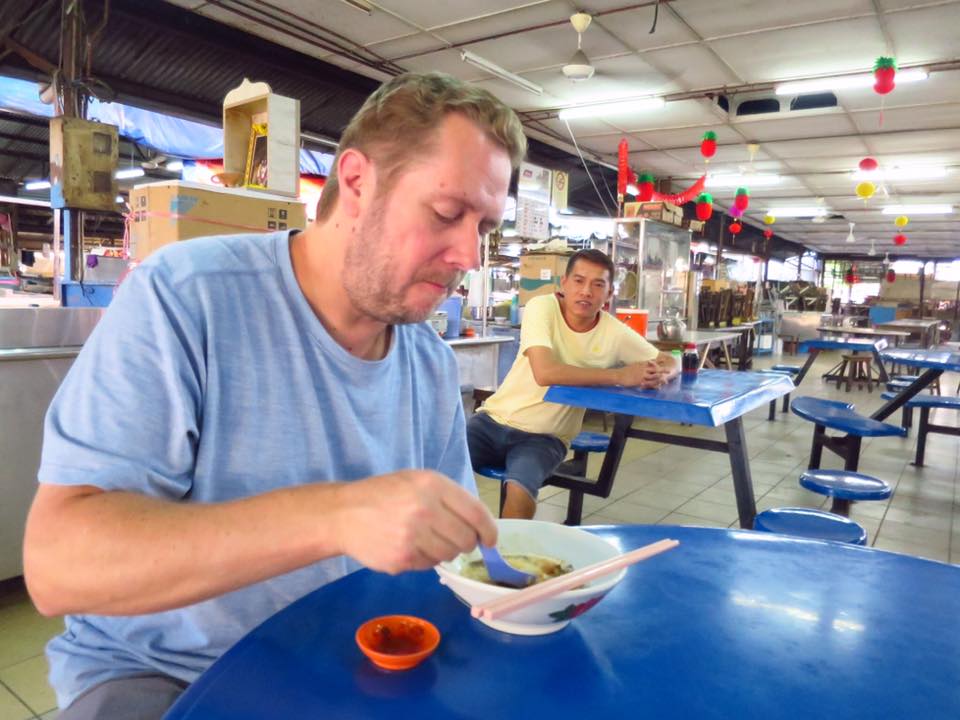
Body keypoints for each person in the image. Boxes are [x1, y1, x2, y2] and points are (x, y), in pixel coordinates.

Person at [22, 72, 526, 719]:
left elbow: (449, 565)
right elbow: (58, 565)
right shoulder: (189, 297)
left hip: (349, 664)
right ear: (356, 182)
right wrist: (333, 516)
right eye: (446, 213)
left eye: (484, 225)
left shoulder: (427, 362)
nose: (469, 255)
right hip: (168, 675)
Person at [467, 249, 679, 519]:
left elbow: (670, 360)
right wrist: (619, 376)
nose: (586, 291)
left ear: (609, 294)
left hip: (544, 438)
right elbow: (545, 372)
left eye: (598, 284)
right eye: (579, 281)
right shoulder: (542, 307)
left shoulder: (613, 332)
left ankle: (505, 559)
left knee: (519, 489)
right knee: (436, 467)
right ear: (563, 284)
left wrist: (662, 374)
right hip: (491, 421)